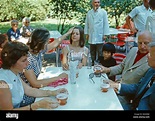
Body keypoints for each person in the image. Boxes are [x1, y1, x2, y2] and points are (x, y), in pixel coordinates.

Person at [0, 41, 68, 110]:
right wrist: (36, 105)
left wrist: (52, 92)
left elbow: (29, 90)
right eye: (24, 60)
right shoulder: (2, 83)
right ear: (12, 62)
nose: (28, 63)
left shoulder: (13, 72)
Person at [19, 27, 73, 106]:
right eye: (47, 42)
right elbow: (35, 83)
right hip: (28, 97)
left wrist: (67, 33)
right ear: (41, 43)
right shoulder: (27, 59)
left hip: (37, 90)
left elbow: (55, 43)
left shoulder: (38, 50)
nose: (48, 44)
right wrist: (58, 77)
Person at [108, 35, 155, 110]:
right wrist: (117, 86)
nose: (148, 56)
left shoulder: (149, 67)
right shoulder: (151, 71)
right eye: (140, 43)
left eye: (150, 55)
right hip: (133, 104)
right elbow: (138, 86)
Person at [84, 0, 110, 66]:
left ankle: (100, 63)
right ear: (92, 3)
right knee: (92, 50)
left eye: (98, 2)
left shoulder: (103, 12)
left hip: (100, 35)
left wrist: (105, 34)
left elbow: (105, 24)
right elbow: (87, 24)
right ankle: (93, 63)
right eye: (95, 2)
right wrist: (86, 33)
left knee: (100, 51)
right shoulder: (89, 13)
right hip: (91, 35)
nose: (97, 4)